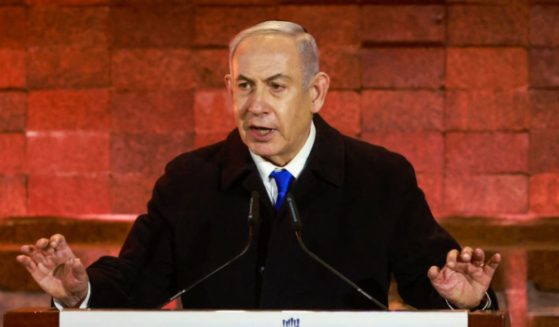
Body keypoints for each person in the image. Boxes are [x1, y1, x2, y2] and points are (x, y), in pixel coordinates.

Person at [17, 20, 501, 311]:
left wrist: (468, 299)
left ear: (316, 92)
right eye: (244, 86)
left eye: (276, 85)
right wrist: (79, 293)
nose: (256, 105)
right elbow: (135, 283)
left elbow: (432, 282)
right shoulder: (188, 181)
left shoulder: (381, 177)